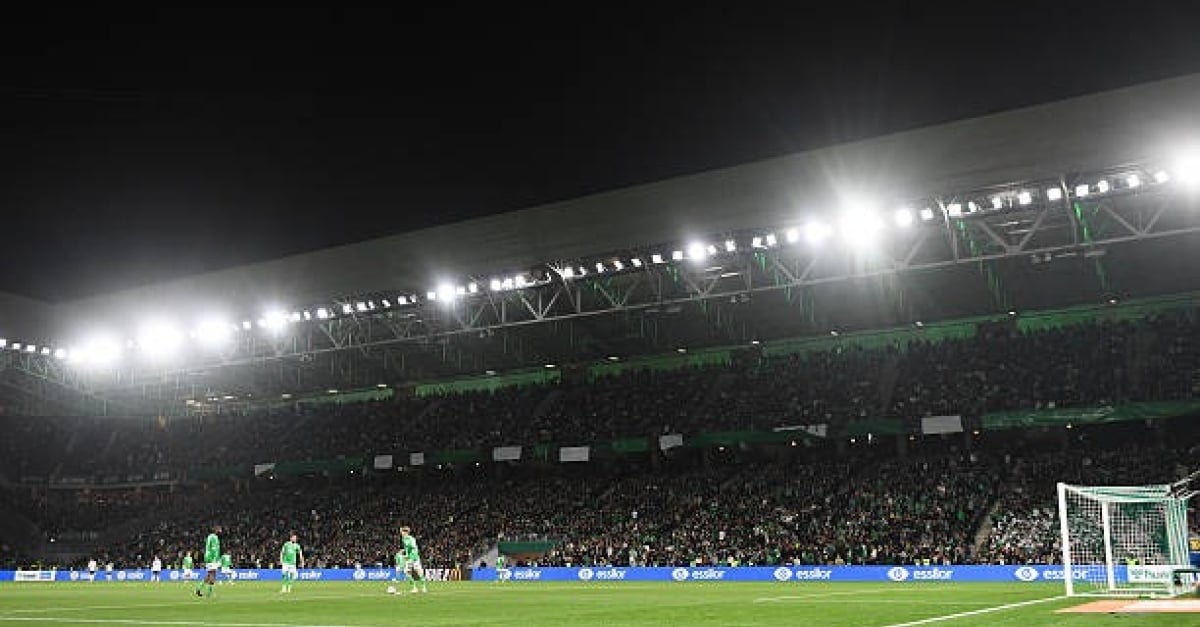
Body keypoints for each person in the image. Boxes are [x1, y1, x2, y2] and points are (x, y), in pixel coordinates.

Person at [399, 527, 427, 594]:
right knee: (406, 572)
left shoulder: (411, 539)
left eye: (402, 532)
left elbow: (414, 548)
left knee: (419, 572)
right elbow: (407, 549)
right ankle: (414, 588)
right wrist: (405, 554)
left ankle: (424, 587)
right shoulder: (403, 539)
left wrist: (412, 557)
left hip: (414, 558)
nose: (401, 533)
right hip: (409, 558)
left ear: (405, 532)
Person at [195, 525, 220, 598]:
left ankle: (198, 588)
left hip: (208, 557)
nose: (219, 530)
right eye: (218, 529)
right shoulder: (214, 537)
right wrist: (215, 559)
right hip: (212, 558)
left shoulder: (209, 537)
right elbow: (214, 549)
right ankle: (209, 593)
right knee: (213, 575)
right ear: (215, 530)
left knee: (209, 575)